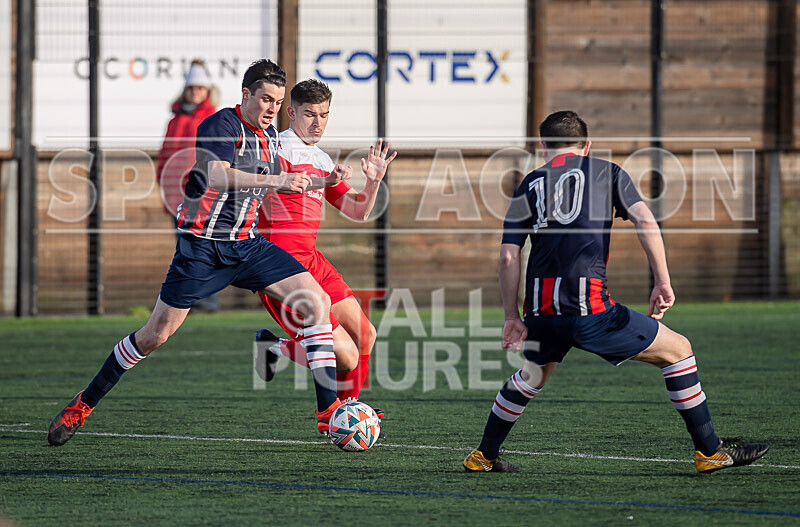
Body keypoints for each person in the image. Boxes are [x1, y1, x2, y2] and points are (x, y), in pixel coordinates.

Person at [47, 60, 346, 447]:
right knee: (155, 335)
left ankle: (327, 414)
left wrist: (325, 180)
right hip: (202, 249)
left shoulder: (270, 135)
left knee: (316, 302)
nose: (272, 108)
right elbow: (218, 174)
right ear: (246, 95)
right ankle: (82, 405)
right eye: (265, 99)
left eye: (277, 101)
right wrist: (278, 178)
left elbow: (277, 185)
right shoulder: (220, 124)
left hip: (246, 245)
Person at [462, 110, 769, 473]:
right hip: (587, 306)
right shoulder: (607, 172)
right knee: (679, 352)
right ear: (587, 145)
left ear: (543, 146)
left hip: (542, 309)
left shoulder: (528, 184)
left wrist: (512, 316)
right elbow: (643, 219)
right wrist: (662, 281)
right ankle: (710, 451)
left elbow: (508, 256)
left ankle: (483, 455)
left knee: (532, 376)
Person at [254, 79, 396, 435]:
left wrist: (373, 181)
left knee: (366, 335)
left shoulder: (321, 159)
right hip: (281, 267)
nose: (317, 122)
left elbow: (358, 210)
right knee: (345, 355)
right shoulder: (274, 148)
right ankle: (282, 357)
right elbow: (258, 186)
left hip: (314, 261)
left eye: (324, 115)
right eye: (309, 114)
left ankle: (347, 412)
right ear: (291, 113)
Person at [156, 60, 219, 312]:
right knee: (184, 248)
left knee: (204, 244)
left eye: (200, 87)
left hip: (202, 195)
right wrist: (165, 190)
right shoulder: (174, 121)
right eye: (192, 87)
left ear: (206, 90)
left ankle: (208, 300)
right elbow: (164, 158)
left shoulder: (213, 118)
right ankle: (187, 300)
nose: (195, 91)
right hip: (177, 196)